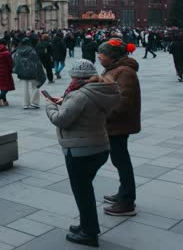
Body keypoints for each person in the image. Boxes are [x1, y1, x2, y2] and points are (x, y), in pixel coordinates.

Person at [45, 61, 122, 248]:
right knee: (85, 189)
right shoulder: (101, 90)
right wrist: (65, 102)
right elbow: (86, 110)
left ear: (77, 77)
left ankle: (89, 233)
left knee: (83, 192)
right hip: (100, 146)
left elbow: (61, 120)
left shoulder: (79, 95)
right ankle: (86, 225)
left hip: (80, 149)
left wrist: (50, 106)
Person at [97, 39, 141, 217]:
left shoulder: (125, 72)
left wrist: (101, 113)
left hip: (118, 125)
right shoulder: (114, 68)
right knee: (119, 160)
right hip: (113, 124)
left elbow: (123, 102)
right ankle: (123, 193)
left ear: (112, 56)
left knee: (122, 161)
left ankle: (127, 201)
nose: (99, 56)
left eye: (102, 53)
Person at [13, 38, 45, 110]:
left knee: (25, 88)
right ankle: (34, 102)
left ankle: (25, 104)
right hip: (32, 71)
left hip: (22, 71)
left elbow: (15, 61)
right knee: (36, 86)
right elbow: (36, 61)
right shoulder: (32, 50)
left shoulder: (18, 50)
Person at [0, 38, 15, 107]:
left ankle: (4, 101)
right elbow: (10, 63)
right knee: (7, 86)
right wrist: (11, 70)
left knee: (2, 85)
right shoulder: (6, 52)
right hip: (5, 71)